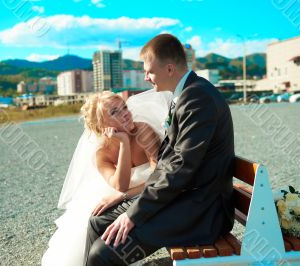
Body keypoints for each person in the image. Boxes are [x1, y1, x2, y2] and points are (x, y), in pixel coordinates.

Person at [84, 34, 235, 266]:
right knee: (98, 222)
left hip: (201, 210)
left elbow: (180, 168)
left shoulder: (197, 98)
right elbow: (168, 164)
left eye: (149, 72)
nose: (146, 78)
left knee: (101, 254)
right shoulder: (187, 94)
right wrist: (130, 198)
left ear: (170, 69)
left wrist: (133, 214)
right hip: (182, 197)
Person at [41, 90, 172, 266]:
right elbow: (120, 184)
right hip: (129, 194)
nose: (125, 113)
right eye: (114, 112)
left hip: (151, 193)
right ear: (102, 124)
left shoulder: (143, 130)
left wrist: (124, 195)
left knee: (100, 224)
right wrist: (124, 143)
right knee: (92, 221)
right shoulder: (102, 153)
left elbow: (159, 177)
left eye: (124, 107)